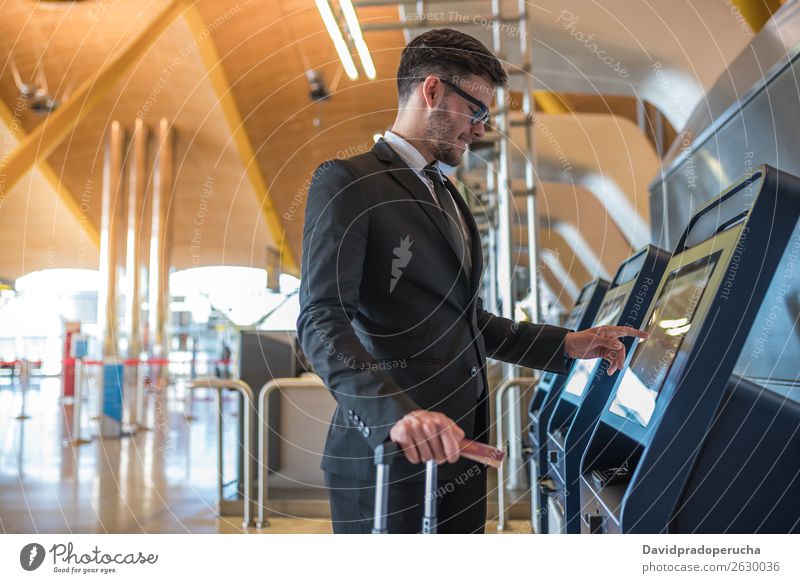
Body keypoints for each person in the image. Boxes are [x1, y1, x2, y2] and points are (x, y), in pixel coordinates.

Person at [296, 28, 646, 533]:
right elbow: (320, 318)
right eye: (476, 110)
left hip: (461, 451)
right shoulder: (348, 183)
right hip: (392, 455)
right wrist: (393, 414)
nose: (480, 129)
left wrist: (568, 344)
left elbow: (466, 321)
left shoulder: (450, 197)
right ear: (432, 91)